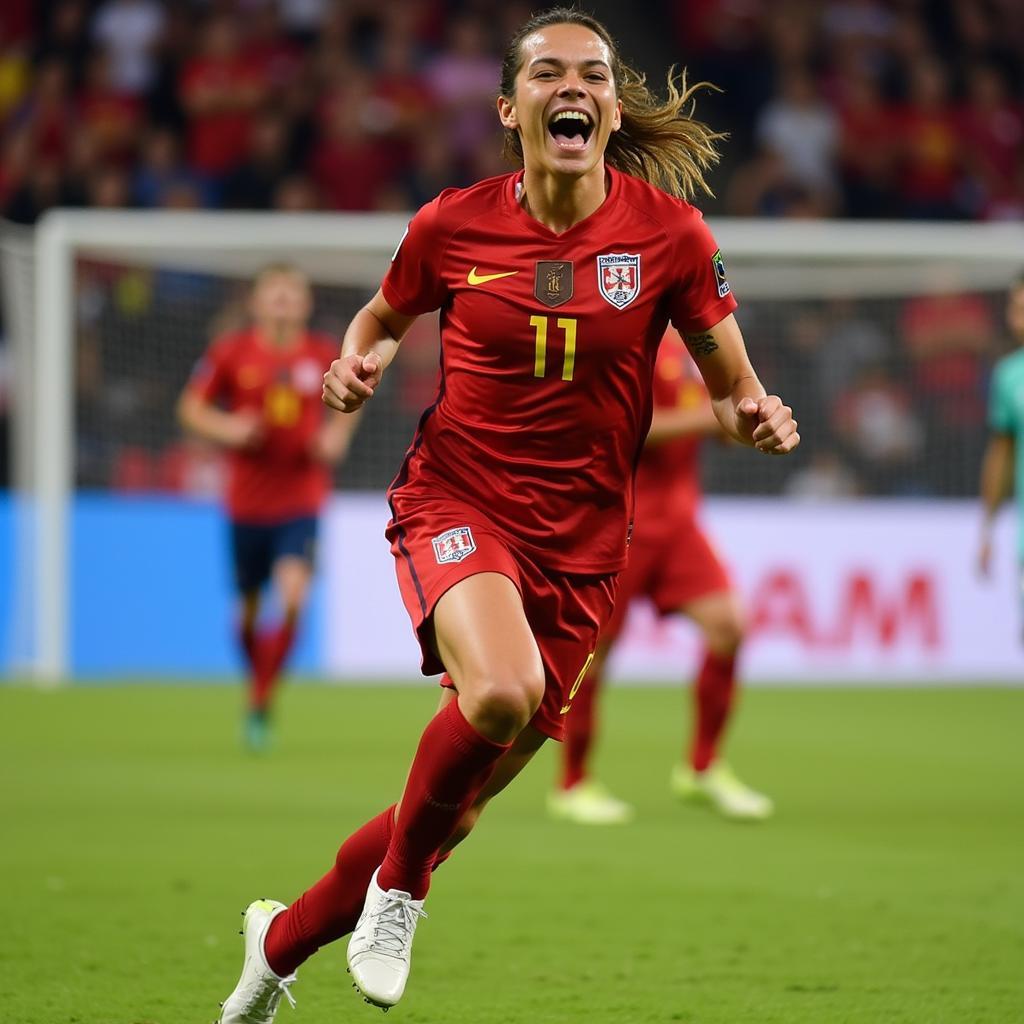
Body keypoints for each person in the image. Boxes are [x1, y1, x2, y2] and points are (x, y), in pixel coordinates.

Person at [216, 10, 799, 1021]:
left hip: (582, 548)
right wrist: (358, 362)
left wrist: (754, 418)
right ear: (510, 106)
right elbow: (380, 316)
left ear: (611, 110)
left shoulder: (670, 237)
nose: (570, 87)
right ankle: (401, 893)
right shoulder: (452, 224)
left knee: (456, 806)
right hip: (458, 500)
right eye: (546, 73)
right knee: (496, 696)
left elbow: (732, 386)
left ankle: (274, 944)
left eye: (592, 75)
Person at [548, 327, 773, 825]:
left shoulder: (699, 343)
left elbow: (719, 414)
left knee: (728, 627)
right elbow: (624, 428)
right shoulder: (625, 336)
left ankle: (702, 767)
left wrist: (741, 426)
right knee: (594, 653)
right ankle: (573, 782)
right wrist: (706, 419)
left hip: (679, 523)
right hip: (619, 518)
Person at [178, 264, 357, 752]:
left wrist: (336, 435)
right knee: (248, 616)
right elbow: (191, 409)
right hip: (246, 503)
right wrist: (229, 429)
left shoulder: (323, 353)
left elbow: (353, 400)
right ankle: (257, 692)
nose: (281, 302)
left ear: (305, 304)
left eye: (290, 294)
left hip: (301, 497)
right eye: (273, 294)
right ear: (255, 303)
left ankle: (261, 697)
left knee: (295, 596)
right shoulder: (230, 352)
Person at [978, 274, 1024, 583]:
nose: (1016, 319)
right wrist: (988, 529)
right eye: (1014, 308)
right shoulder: (1009, 376)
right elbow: (1002, 454)